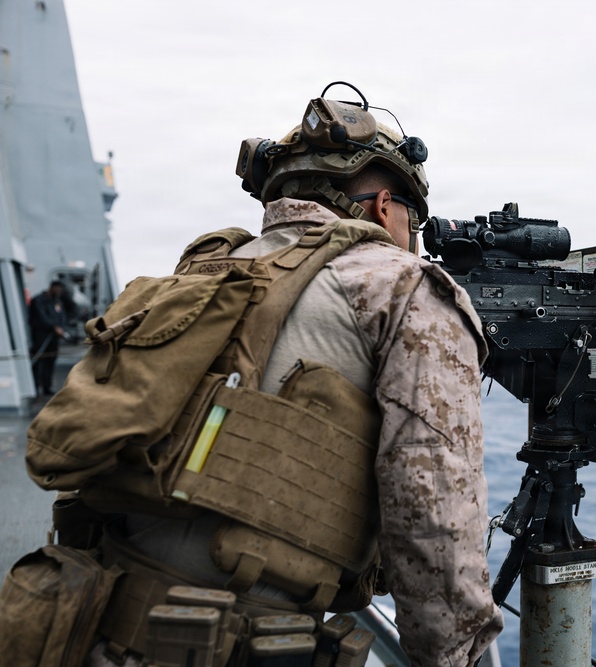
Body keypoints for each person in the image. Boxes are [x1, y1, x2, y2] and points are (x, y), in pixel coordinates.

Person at [83, 85, 503, 666]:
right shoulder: (400, 287)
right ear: (386, 208)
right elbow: (435, 518)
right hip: (238, 646)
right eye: (416, 221)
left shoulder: (200, 274)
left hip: (91, 618)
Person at [28, 279, 66, 396]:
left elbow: (62, 317)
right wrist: (53, 326)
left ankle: (46, 387)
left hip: (53, 337)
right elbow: (41, 316)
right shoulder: (38, 300)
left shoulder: (57, 302)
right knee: (38, 361)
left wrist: (61, 327)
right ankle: (35, 387)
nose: (59, 291)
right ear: (51, 288)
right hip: (40, 336)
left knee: (50, 361)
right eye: (57, 289)